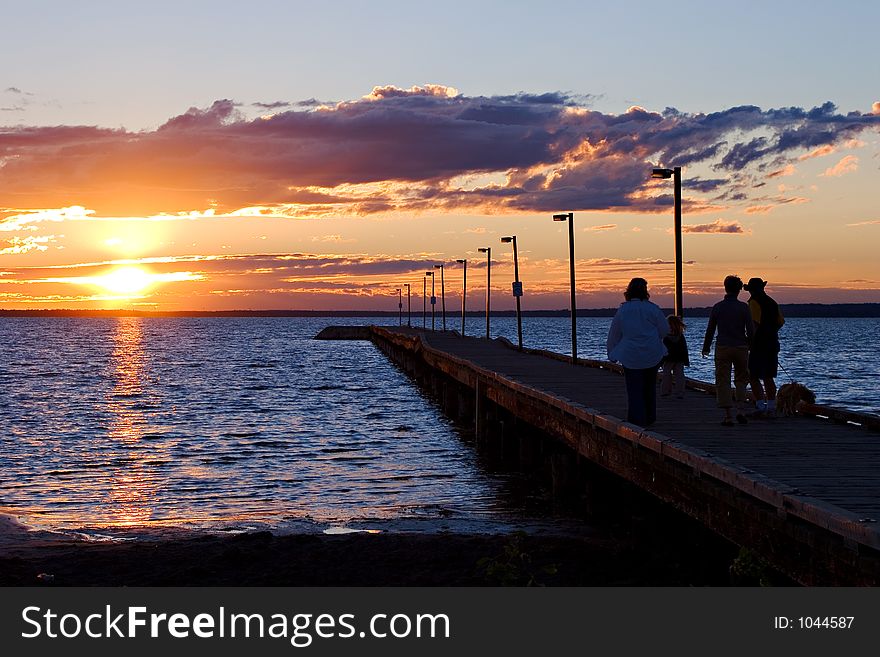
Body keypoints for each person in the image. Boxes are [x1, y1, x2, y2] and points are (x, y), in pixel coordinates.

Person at [606, 277, 669, 427]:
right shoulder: (653, 309)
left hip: (631, 355)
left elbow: (614, 334)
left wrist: (612, 354)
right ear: (645, 291)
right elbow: (665, 330)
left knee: (634, 389)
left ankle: (636, 419)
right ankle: (649, 417)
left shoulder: (623, 310)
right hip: (651, 354)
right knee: (649, 387)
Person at [702, 275, 754, 426]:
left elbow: (710, 329)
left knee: (722, 380)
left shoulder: (718, 307)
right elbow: (750, 330)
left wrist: (706, 347)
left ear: (725, 288)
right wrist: (752, 345)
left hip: (723, 347)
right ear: (738, 290)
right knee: (742, 379)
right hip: (741, 347)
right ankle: (741, 410)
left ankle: (728, 415)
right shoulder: (744, 307)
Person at [744, 277, 785, 417]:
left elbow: (753, 325)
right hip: (772, 342)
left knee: (753, 375)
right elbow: (780, 322)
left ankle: (761, 406)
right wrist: (771, 333)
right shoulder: (773, 302)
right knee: (768, 375)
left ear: (751, 290)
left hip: (758, 344)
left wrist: (750, 341)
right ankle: (772, 407)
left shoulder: (753, 302)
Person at [660, 315, 689, 398]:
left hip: (668, 358)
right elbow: (684, 349)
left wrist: (660, 360)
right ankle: (680, 392)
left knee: (666, 375)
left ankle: (665, 391)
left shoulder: (665, 337)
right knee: (679, 375)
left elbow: (663, 349)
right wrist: (686, 360)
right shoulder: (680, 336)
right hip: (679, 358)